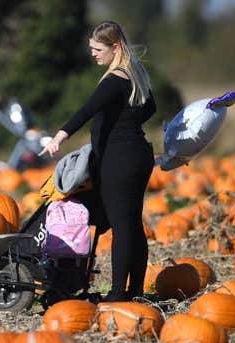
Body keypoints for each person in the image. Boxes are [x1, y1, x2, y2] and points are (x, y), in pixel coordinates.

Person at [39, 20, 157, 302]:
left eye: (97, 49)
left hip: (120, 159)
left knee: (122, 226)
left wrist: (59, 136)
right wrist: (127, 125)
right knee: (132, 224)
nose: (93, 54)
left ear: (114, 47)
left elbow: (87, 110)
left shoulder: (115, 78)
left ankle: (117, 294)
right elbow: (150, 107)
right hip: (138, 154)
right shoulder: (136, 73)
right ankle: (135, 290)